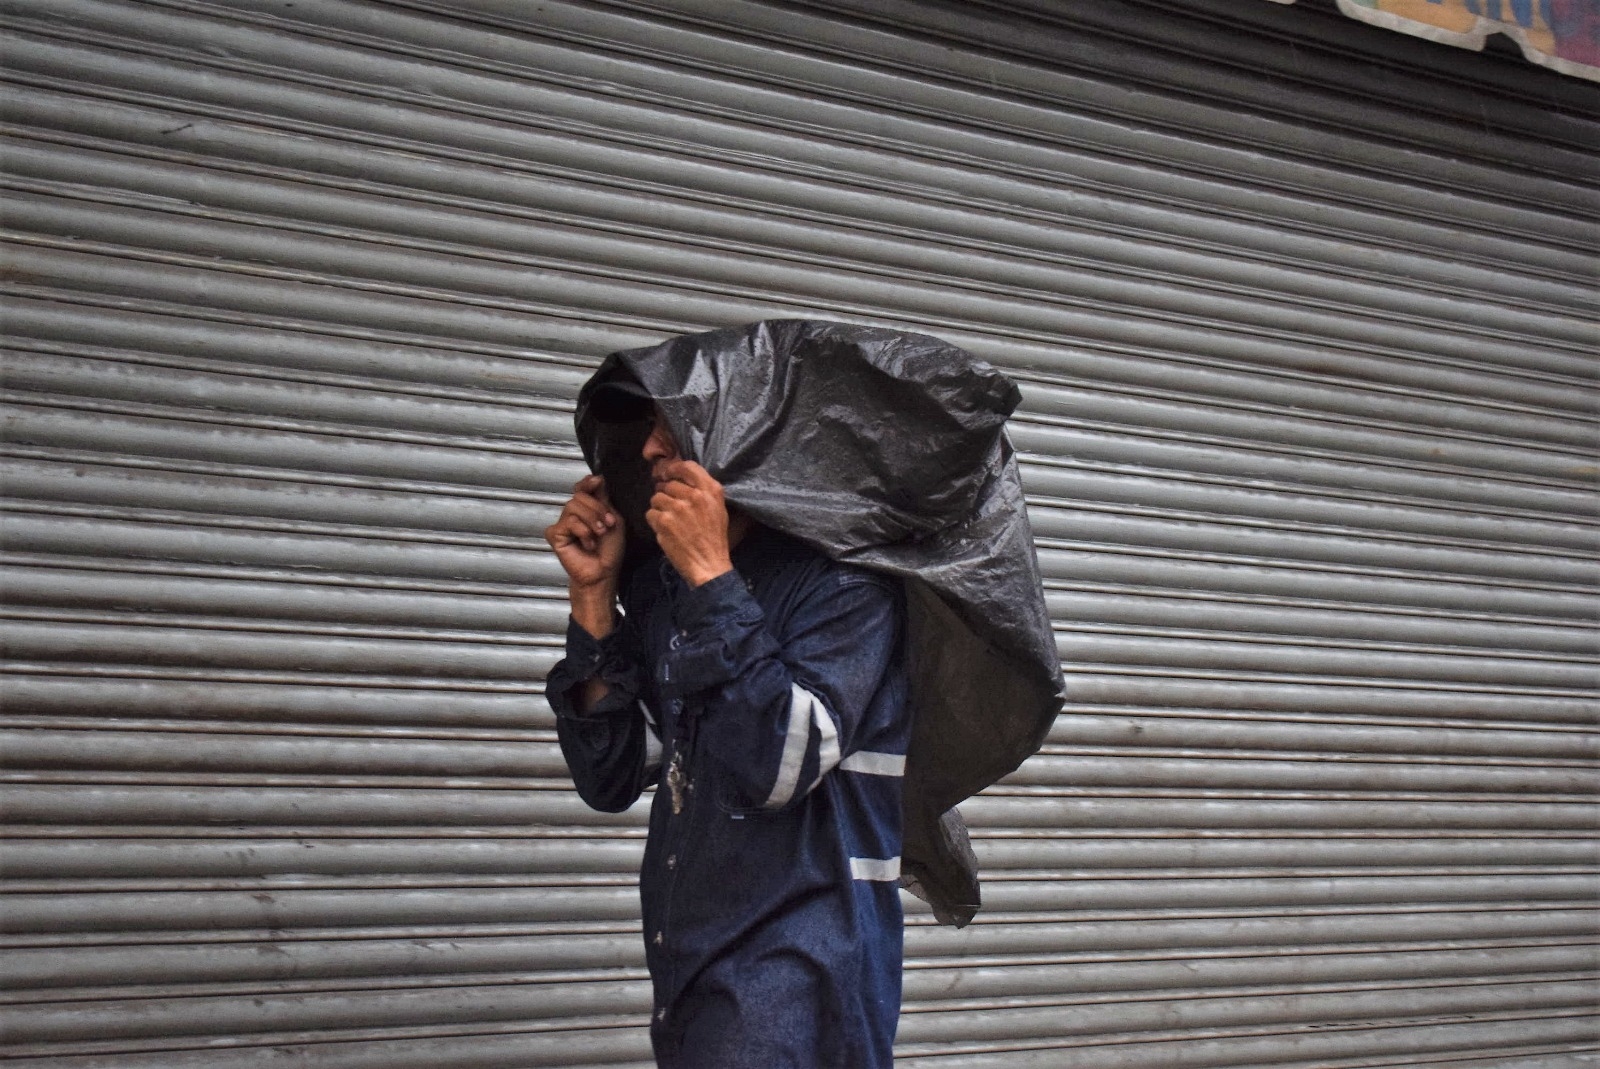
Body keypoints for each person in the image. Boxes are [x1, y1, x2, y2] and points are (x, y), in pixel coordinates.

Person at [544, 383, 912, 1069]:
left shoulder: (845, 588)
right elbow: (613, 773)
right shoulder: (671, 592)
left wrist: (712, 578)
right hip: (694, 984)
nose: (650, 448)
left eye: (674, 428)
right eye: (648, 430)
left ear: (750, 444)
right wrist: (595, 601)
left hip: (802, 993)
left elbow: (777, 764)